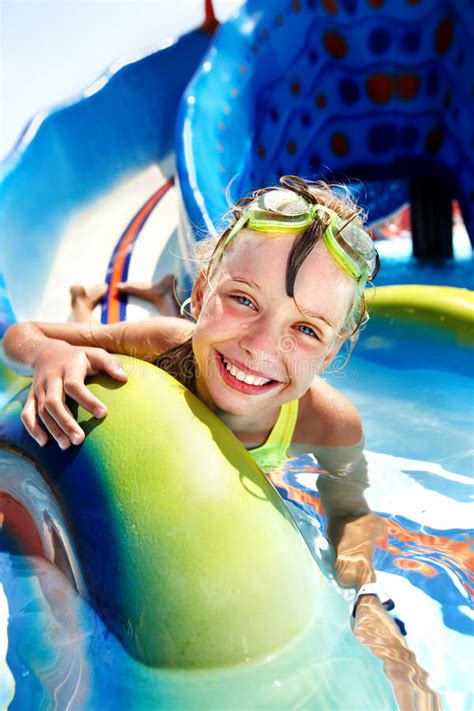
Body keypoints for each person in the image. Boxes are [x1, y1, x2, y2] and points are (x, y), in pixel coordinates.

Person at [2, 175, 439, 709]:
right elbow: (17, 338)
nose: (260, 346)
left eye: (305, 330)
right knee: (104, 338)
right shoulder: (165, 344)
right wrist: (49, 355)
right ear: (205, 289)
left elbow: (349, 511)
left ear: (332, 353)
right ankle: (90, 306)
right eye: (242, 299)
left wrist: (362, 594)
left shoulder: (330, 422)